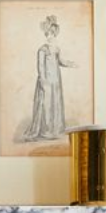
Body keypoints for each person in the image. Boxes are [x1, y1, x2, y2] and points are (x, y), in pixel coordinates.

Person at [16, 14, 74, 145]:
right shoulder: (42, 49)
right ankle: (46, 130)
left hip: (56, 81)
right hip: (47, 80)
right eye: (49, 34)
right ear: (46, 34)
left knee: (55, 102)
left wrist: (71, 64)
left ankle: (55, 129)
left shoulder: (56, 48)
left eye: (53, 34)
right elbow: (40, 67)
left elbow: (60, 61)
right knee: (46, 103)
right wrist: (43, 80)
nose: (51, 37)